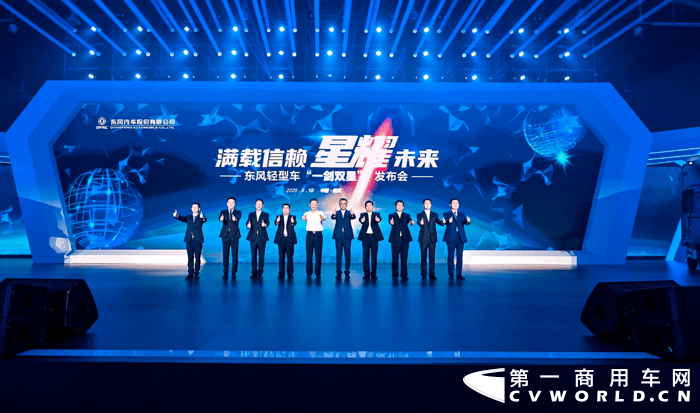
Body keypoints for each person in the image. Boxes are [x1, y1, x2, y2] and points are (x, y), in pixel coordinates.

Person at [173, 203, 207, 280]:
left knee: (197, 257)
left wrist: (202, 217)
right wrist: (176, 215)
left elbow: (204, 220)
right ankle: (190, 273)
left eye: (196, 207)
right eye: (193, 207)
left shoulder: (201, 217)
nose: (194, 208)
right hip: (189, 240)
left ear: (199, 209)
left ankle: (196, 273)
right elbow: (182, 218)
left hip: (197, 240)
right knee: (190, 257)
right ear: (191, 208)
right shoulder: (188, 217)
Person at [442, 198, 471, 280]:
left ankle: (459, 274)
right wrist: (448, 221)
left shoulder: (462, 214)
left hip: (460, 237)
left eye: (457, 203)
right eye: (453, 203)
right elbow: (445, 221)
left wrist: (468, 221)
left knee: (460, 256)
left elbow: (465, 222)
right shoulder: (447, 213)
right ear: (450, 205)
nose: (455, 204)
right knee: (451, 255)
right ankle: (451, 273)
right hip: (451, 237)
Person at [416, 198, 444, 280]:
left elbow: (439, 222)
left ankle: (432, 274)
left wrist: (443, 222)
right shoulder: (419, 214)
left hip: (432, 238)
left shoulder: (434, 214)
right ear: (423, 205)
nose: (427, 204)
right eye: (426, 203)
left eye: (429, 203)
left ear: (431, 205)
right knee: (423, 257)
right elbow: (418, 221)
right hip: (423, 238)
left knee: (432, 257)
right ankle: (423, 274)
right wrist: (420, 223)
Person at [388, 200, 414, 280]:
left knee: (404, 258)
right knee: (395, 258)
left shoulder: (406, 215)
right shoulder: (391, 215)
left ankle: (404, 275)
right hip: (395, 239)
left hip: (404, 239)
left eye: (401, 205)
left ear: (403, 207)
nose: (399, 206)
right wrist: (391, 222)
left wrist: (411, 222)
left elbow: (410, 220)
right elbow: (390, 221)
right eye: (398, 205)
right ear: (395, 206)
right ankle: (395, 274)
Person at [357, 200, 383, 280]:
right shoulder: (363, 214)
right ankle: (367, 274)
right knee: (365, 256)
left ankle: (374, 274)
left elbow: (379, 219)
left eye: (370, 205)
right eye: (367, 206)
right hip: (365, 237)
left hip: (374, 237)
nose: (368, 207)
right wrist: (361, 220)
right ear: (365, 207)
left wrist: (378, 220)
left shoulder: (376, 214)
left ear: (372, 207)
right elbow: (360, 219)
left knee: (374, 256)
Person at [331, 198, 356, 280]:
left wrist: (352, 214)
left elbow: (353, 217)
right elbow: (332, 217)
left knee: (347, 254)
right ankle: (338, 272)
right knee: (339, 254)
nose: (343, 205)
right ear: (339, 204)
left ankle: (347, 272)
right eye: (341, 203)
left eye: (344, 203)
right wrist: (333, 214)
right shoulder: (337, 213)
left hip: (347, 236)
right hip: (338, 236)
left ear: (346, 204)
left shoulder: (349, 213)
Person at [302, 198, 326, 278]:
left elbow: (324, 218)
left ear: (317, 205)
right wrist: (304, 218)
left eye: (315, 204)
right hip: (309, 235)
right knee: (309, 254)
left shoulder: (320, 213)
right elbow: (303, 218)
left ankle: (318, 272)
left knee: (318, 254)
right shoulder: (306, 213)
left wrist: (322, 218)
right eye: (312, 204)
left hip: (318, 235)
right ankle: (309, 272)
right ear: (310, 205)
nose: (314, 206)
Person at [246, 199, 269, 279]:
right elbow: (248, 222)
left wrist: (264, 225)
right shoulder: (251, 214)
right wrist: (248, 226)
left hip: (262, 237)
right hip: (253, 237)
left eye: (260, 204)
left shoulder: (266, 214)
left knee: (261, 256)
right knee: (253, 256)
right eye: (257, 204)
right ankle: (254, 272)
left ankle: (260, 273)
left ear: (263, 205)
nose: (258, 205)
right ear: (255, 205)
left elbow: (267, 222)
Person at [219, 197, 241, 279]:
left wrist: (235, 219)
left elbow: (237, 218)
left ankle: (233, 272)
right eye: (229, 202)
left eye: (233, 202)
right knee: (225, 254)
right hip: (225, 235)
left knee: (234, 255)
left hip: (234, 235)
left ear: (235, 204)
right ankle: (225, 272)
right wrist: (221, 219)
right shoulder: (223, 212)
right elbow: (220, 218)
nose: (231, 204)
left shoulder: (238, 212)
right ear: (227, 203)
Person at [273, 203, 297, 279]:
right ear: (282, 209)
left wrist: (292, 222)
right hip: (281, 239)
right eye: (284, 208)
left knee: (290, 257)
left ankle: (290, 274)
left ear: (289, 210)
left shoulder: (293, 217)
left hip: (290, 239)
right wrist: (277, 221)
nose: (285, 209)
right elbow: (276, 223)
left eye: (287, 208)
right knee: (281, 257)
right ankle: (281, 274)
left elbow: (294, 223)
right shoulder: (279, 217)